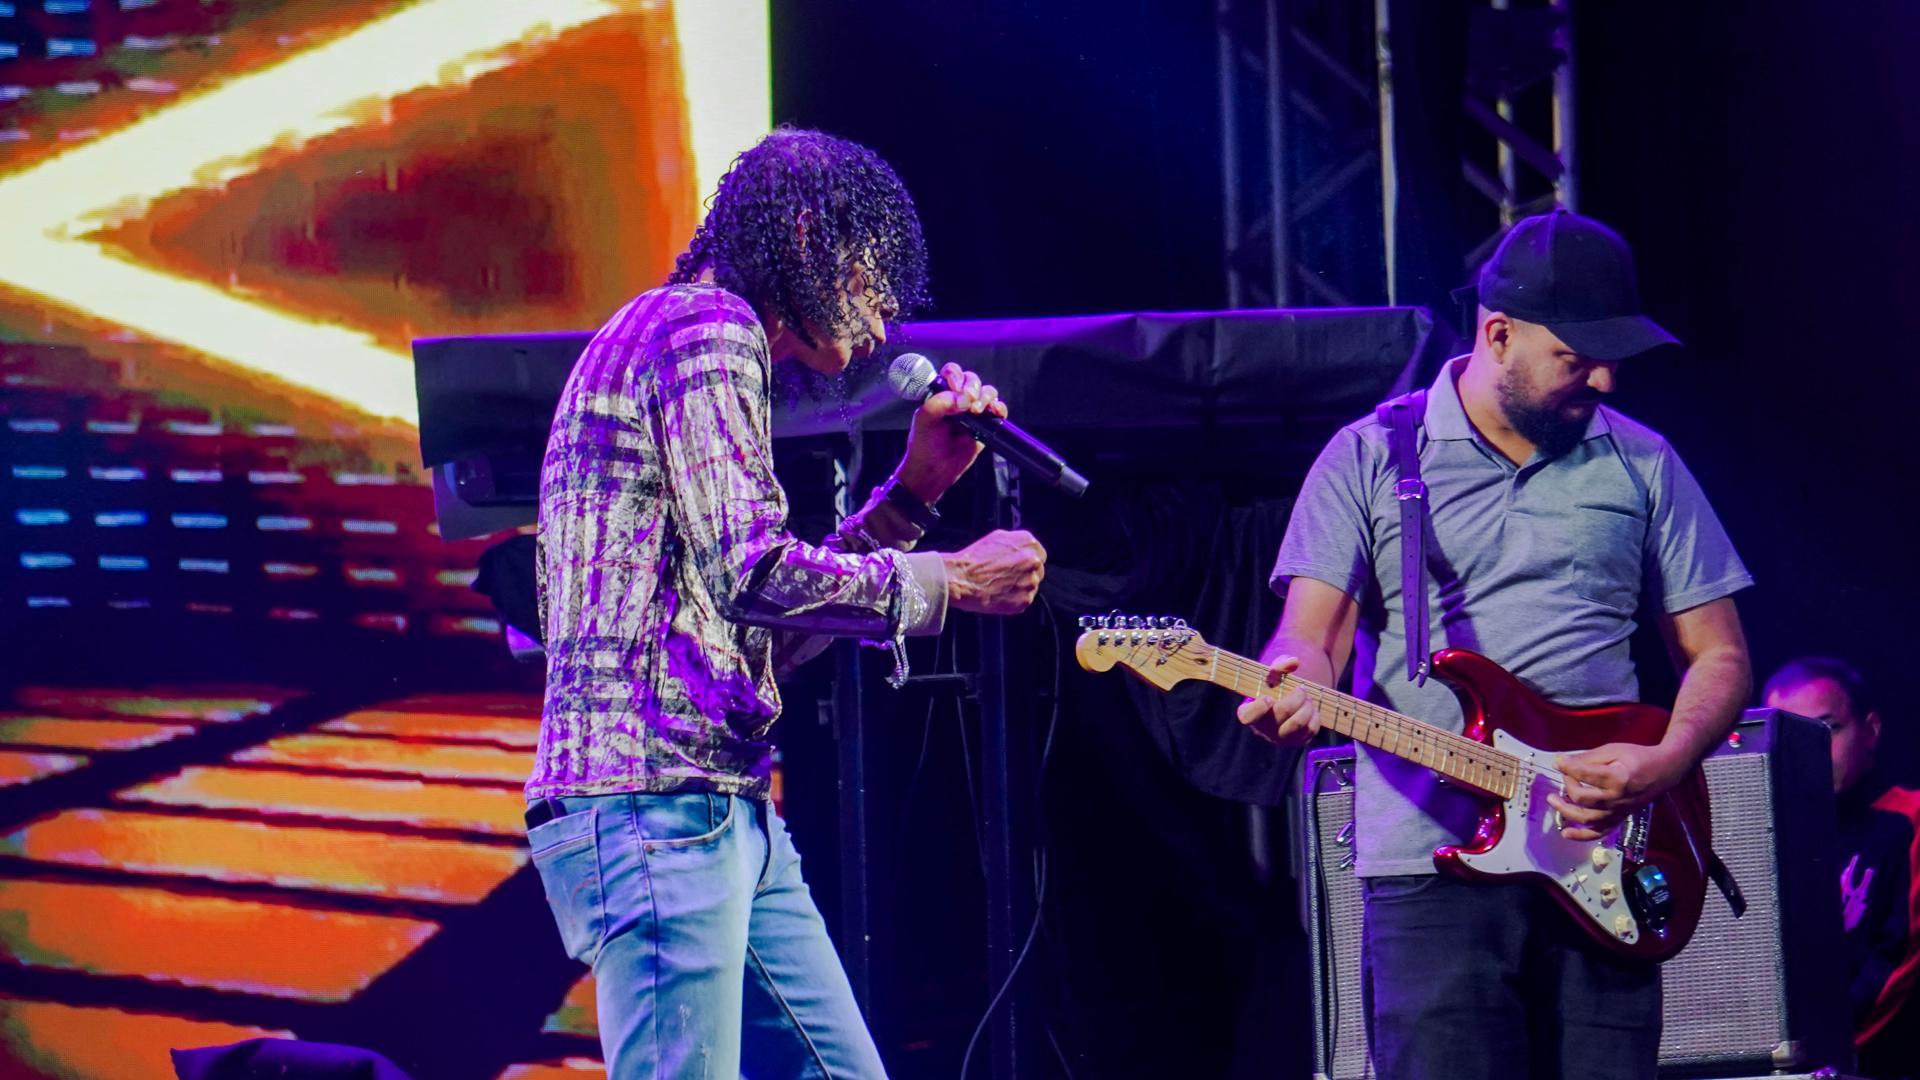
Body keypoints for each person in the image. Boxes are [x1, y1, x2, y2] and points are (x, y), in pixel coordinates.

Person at [525, 128, 1046, 1078]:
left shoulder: (683, 336)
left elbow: (756, 621)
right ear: (807, 238)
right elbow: (754, 573)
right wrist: (955, 581)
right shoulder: (704, 327)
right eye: (872, 280)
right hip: (656, 805)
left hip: (719, 808)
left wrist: (913, 497)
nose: (883, 322)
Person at [1238, 209, 1754, 1079]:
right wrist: (1292, 679)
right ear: (1499, 333)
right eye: (1577, 356)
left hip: (1605, 851)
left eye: (1614, 356)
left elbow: (1722, 657)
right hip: (1429, 863)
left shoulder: (1643, 461)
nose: (1605, 379)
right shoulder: (1369, 457)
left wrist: (1666, 761)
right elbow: (1310, 638)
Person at [1764, 657, 1918, 1078]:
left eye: (1827, 729)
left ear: (1871, 730)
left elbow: (1901, 960)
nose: (1808, 751)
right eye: (1790, 736)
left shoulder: (1910, 818)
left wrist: (1822, 1048)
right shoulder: (1765, 832)